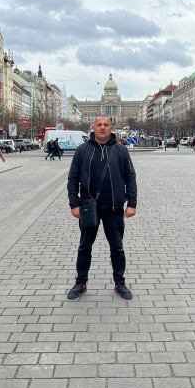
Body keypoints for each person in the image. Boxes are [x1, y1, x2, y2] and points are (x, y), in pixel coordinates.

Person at [67, 115, 137, 301]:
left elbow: (130, 177)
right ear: (93, 127)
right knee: (84, 247)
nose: (103, 128)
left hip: (114, 207)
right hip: (89, 207)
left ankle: (120, 283)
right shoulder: (82, 150)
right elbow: (73, 178)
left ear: (112, 128)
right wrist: (74, 204)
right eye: (99, 125)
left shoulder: (121, 150)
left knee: (117, 248)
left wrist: (132, 203)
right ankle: (81, 282)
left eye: (106, 125)